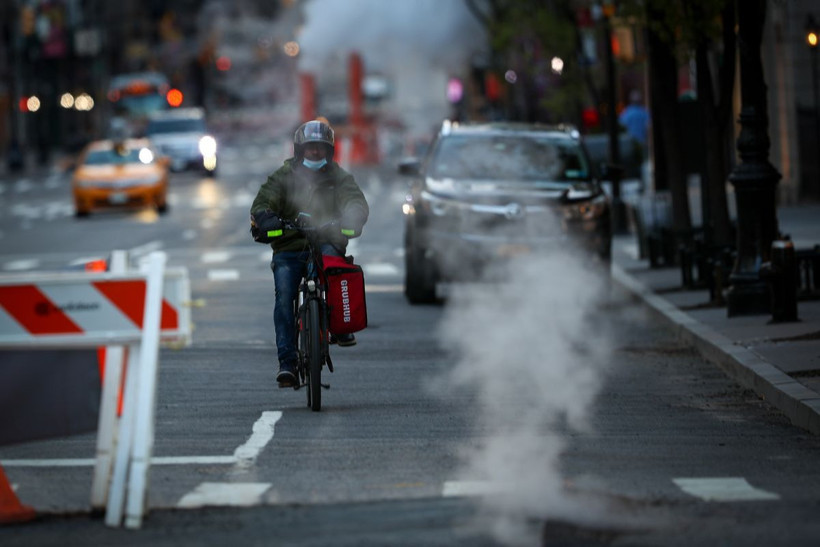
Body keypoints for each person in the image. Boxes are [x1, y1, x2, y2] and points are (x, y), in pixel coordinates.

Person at [250, 119, 369, 387]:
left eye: (320, 148)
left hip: (327, 241)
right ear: (299, 149)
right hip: (289, 247)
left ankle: (340, 328)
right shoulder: (283, 176)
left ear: (329, 151)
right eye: (310, 147)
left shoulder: (339, 176)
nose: (315, 152)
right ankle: (287, 362)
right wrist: (266, 217)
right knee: (284, 298)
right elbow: (263, 201)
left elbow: (356, 200)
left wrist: (352, 216)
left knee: (336, 273)